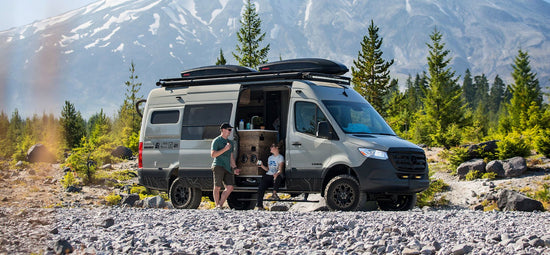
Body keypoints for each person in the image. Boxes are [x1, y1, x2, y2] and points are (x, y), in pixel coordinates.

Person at [211, 123, 240, 209]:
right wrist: (224, 149)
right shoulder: (216, 141)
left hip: (227, 167)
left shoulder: (230, 143)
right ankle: (217, 205)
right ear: (223, 130)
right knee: (217, 187)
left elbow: (231, 157)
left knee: (230, 187)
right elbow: (213, 155)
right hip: (218, 165)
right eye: (229, 130)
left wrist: (235, 168)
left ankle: (219, 204)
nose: (230, 132)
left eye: (231, 130)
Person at [255, 142, 284, 210]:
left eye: (272, 146)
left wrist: (276, 174)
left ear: (276, 148)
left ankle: (274, 194)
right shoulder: (270, 158)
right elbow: (268, 169)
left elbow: (280, 170)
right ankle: (259, 205)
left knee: (278, 178)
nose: (270, 148)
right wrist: (261, 166)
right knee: (261, 187)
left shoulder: (280, 157)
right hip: (269, 174)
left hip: (276, 174)